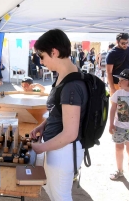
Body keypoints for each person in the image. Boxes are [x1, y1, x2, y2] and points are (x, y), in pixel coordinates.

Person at [30, 29, 88, 201]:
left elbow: (70, 133)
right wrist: (43, 125)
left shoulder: (72, 85)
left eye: (42, 56)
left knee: (61, 197)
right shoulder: (64, 76)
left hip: (64, 152)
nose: (41, 62)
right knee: (52, 191)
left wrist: (40, 148)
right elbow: (58, 112)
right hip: (57, 148)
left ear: (54, 52)